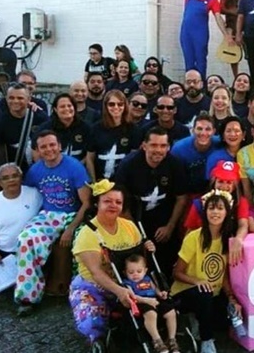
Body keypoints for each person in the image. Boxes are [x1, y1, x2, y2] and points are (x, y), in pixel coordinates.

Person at [68, 180, 163, 350]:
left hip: (128, 281)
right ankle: (96, 340)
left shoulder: (129, 227)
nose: (113, 205)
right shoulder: (87, 233)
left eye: (118, 202)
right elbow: (96, 272)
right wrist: (119, 291)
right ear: (97, 202)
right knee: (93, 322)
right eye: (107, 201)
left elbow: (138, 261)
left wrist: (147, 248)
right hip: (96, 285)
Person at [17, 130, 91, 314]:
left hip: (73, 215)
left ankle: (80, 292)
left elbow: (87, 203)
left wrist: (70, 229)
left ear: (59, 146)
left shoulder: (74, 167)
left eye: (52, 145)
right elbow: (27, 198)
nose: (49, 149)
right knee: (26, 238)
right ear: (37, 150)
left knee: (81, 244)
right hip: (48, 215)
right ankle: (28, 297)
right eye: (43, 146)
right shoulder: (35, 170)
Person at [171, 189, 240, 353]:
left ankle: (198, 319)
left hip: (213, 293)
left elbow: (222, 275)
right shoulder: (194, 237)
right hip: (186, 292)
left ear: (227, 212)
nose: (215, 212)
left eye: (220, 208)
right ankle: (206, 341)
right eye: (211, 208)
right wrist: (198, 281)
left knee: (225, 320)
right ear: (205, 211)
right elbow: (177, 273)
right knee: (204, 295)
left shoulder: (228, 240)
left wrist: (231, 298)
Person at [143, 0, 232, 77]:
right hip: (186, 33)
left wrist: (226, 35)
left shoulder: (213, 0)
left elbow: (218, 18)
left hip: (200, 35)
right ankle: (190, 86)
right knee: (188, 62)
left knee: (201, 62)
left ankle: (202, 87)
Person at [115, 127, 184, 276]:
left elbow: (181, 197)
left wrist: (170, 226)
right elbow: (120, 200)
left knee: (166, 257)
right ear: (144, 145)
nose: (158, 150)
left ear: (168, 147)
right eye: (153, 145)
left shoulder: (175, 165)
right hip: (133, 218)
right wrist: (134, 231)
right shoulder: (128, 165)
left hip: (163, 219)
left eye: (162, 146)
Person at [123, 254, 179, 353]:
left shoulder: (148, 279)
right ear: (125, 273)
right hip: (140, 302)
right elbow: (132, 297)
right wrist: (146, 301)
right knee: (151, 314)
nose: (135, 274)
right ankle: (157, 340)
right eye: (131, 272)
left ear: (145, 270)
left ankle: (172, 339)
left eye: (139, 271)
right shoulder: (128, 283)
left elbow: (155, 289)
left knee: (171, 312)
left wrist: (161, 294)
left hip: (154, 300)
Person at [0, 83, 48, 170]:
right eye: (11, 98)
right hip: (14, 175)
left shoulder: (41, 118)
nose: (15, 101)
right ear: (6, 99)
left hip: (39, 170)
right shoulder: (0, 122)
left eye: (20, 98)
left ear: (28, 99)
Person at [85, 90, 141, 181]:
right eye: (111, 104)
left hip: (122, 183)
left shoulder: (133, 129)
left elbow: (133, 160)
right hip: (100, 181)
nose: (116, 107)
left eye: (120, 104)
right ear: (106, 106)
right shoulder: (95, 129)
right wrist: (94, 182)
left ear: (125, 106)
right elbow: (90, 158)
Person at [36, 93, 92, 163]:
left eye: (69, 106)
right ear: (55, 109)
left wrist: (77, 167)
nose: (66, 109)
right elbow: (35, 152)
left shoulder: (86, 128)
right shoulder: (45, 128)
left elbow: (90, 154)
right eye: (62, 106)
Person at [219, 0, 250, 77]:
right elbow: (220, 8)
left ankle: (250, 78)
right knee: (232, 54)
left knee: (250, 53)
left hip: (247, 26)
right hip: (231, 25)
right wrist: (231, 11)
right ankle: (236, 77)